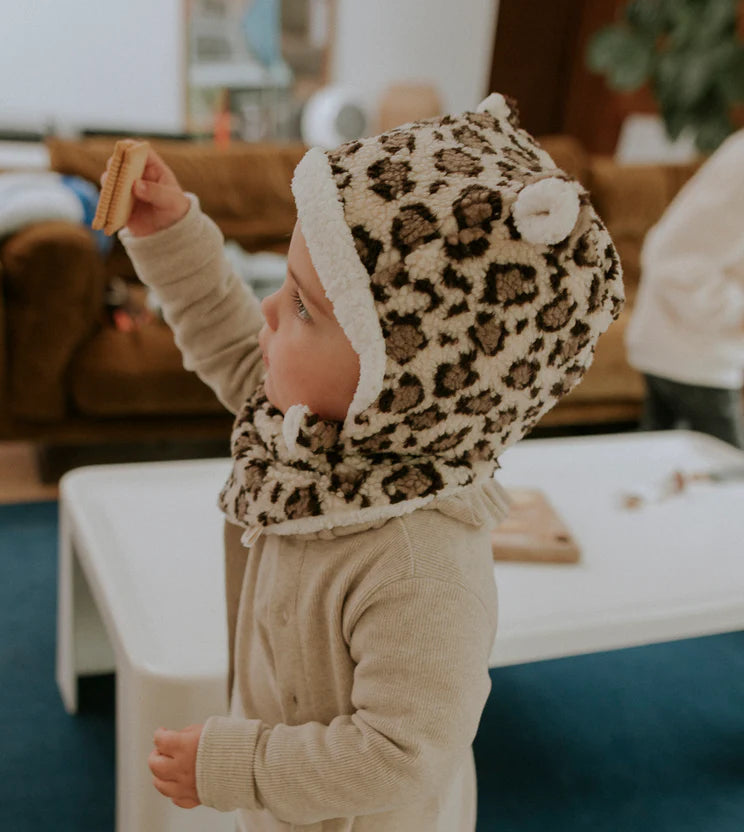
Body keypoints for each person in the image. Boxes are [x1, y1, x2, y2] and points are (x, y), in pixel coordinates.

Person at [109, 93, 624, 832]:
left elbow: (403, 753)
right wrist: (173, 234)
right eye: (286, 289)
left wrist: (240, 766)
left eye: (304, 308)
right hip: (289, 807)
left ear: (404, 383)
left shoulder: (422, 567)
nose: (267, 313)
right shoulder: (318, 433)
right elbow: (231, 343)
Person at [625, 128, 744, 449]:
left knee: (657, 472)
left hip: (688, 348)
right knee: (729, 481)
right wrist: (736, 312)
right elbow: (671, 256)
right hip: (691, 355)